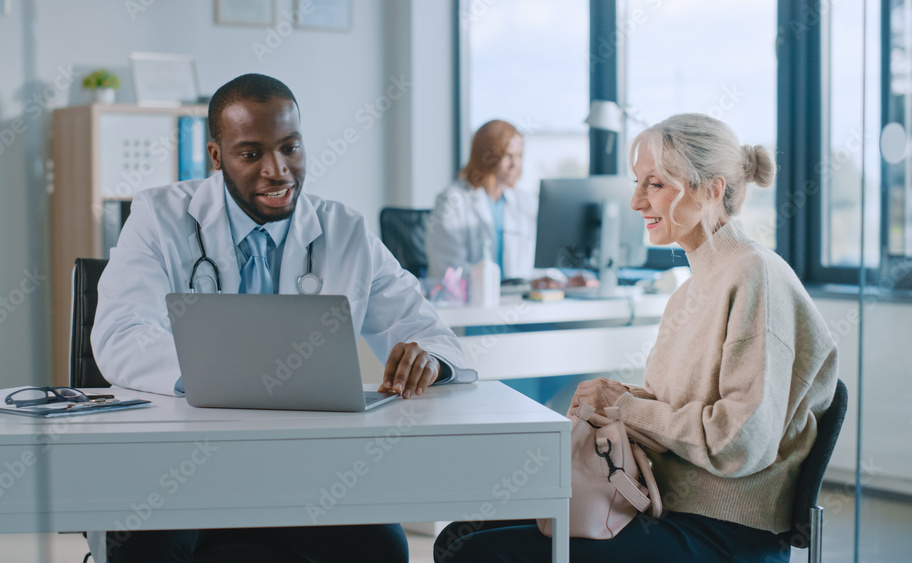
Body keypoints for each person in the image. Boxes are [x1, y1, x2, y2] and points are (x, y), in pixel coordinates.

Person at [91, 73, 476, 563]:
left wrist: (431, 361)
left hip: (306, 471)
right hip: (178, 468)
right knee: (148, 546)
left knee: (380, 547)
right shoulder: (158, 218)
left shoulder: (346, 233)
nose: (278, 170)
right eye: (251, 154)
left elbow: (434, 336)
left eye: (290, 148)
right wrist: (227, 373)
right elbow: (121, 335)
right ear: (217, 156)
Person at [433, 113, 838, 562]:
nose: (635, 202)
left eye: (655, 184)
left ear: (712, 189)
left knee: (473, 554)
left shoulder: (755, 274)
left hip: (723, 531)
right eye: (637, 183)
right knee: (455, 538)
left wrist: (627, 407)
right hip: (661, 504)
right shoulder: (686, 292)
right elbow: (672, 409)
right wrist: (617, 398)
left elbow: (738, 442)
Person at [425, 120, 592, 288]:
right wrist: (505, 284)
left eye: (519, 156)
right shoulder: (451, 201)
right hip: (469, 304)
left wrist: (562, 280)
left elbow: (529, 269)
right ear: (484, 155)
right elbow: (449, 270)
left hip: (515, 301)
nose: (515, 164)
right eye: (507, 155)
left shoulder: (525, 202)